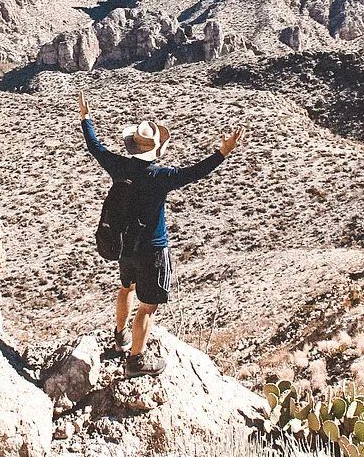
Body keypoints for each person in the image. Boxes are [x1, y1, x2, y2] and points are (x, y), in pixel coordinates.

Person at [78, 91, 244, 377]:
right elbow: (195, 172)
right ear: (156, 149)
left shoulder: (119, 165)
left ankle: (120, 338)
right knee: (148, 306)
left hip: (125, 246)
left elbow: (96, 147)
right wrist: (223, 152)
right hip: (152, 249)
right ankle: (136, 361)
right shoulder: (160, 176)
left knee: (126, 287)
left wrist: (86, 119)